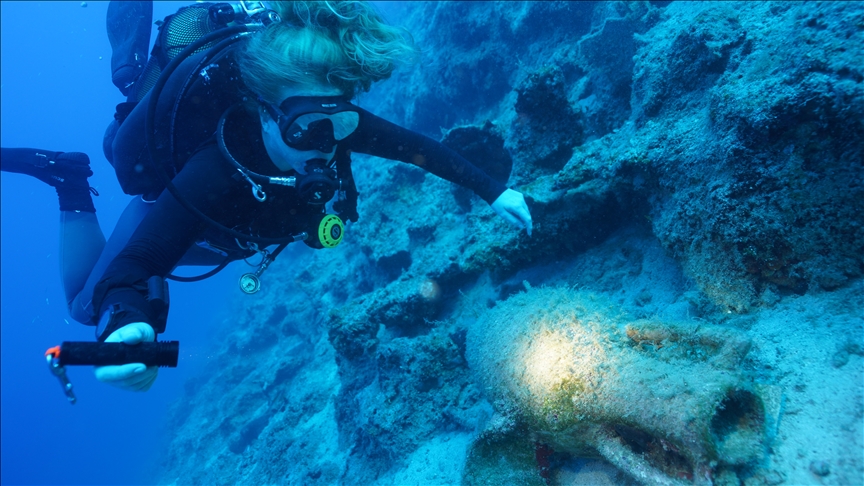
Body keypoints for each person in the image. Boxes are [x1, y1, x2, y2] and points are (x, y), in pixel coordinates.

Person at [0, 1, 532, 392]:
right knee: (84, 307)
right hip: (190, 218)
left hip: (231, 237)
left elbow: (422, 150)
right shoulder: (213, 168)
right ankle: (69, 178)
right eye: (306, 129)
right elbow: (139, 262)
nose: (325, 144)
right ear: (263, 111)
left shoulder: (329, 121)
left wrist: (496, 192)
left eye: (341, 123)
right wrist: (126, 324)